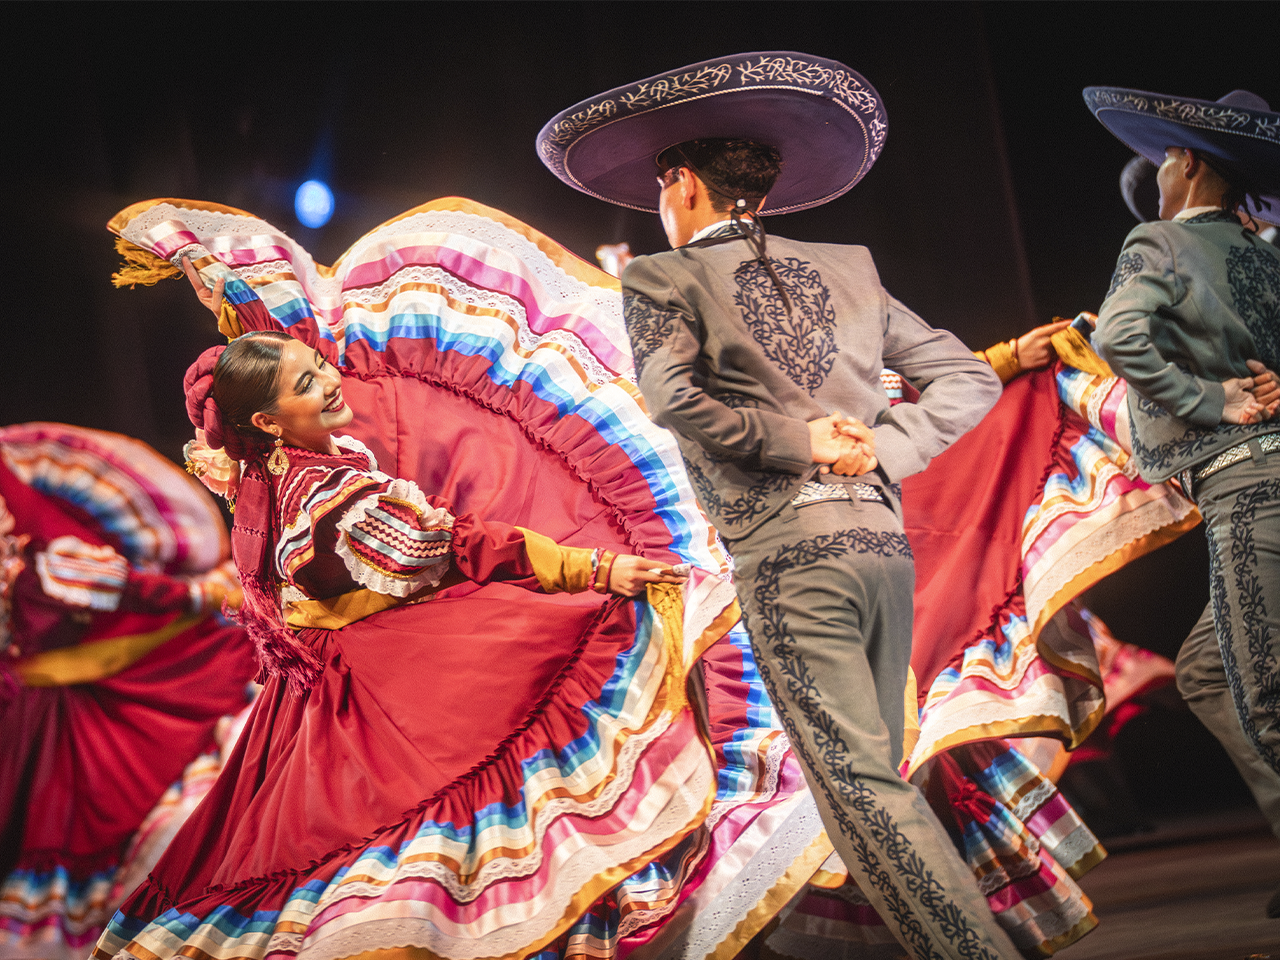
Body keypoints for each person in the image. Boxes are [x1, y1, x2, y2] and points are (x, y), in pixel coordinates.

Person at [97, 194, 837, 960]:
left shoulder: (268, 476)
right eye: (307, 382)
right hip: (389, 689)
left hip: (327, 692)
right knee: (545, 722)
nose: (329, 381)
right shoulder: (334, 496)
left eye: (320, 366)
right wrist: (594, 564)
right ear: (268, 423)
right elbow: (454, 546)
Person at [539, 52, 1021, 960]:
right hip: (880, 538)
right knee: (872, 775)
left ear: (681, 184)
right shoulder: (847, 265)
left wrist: (808, 444)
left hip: (792, 549)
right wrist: (882, 448)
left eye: (660, 185)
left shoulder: (662, 277)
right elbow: (963, 376)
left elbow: (675, 401)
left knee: (859, 781)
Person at [1086, 86, 1280, 912]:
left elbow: (1118, 335)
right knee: (1207, 669)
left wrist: (1212, 402)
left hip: (1249, 486)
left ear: (1188, 162)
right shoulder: (1266, 250)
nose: (1159, 172)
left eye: (1164, 158)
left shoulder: (1157, 238)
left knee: (1260, 691)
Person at [0, 423, 255, 959]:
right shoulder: (43, 568)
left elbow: (145, 595)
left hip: (77, 702)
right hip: (40, 706)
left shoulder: (48, 564)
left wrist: (215, 595)